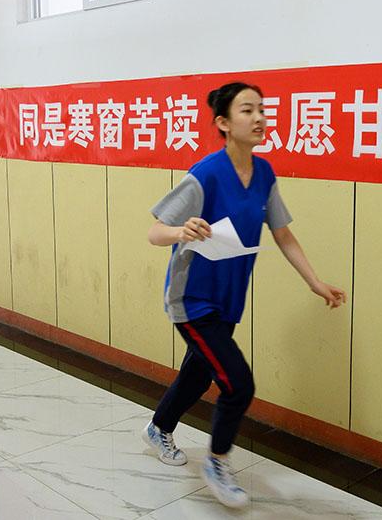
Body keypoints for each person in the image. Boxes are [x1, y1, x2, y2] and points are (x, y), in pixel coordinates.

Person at [143, 82, 347, 508]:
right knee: (237, 384)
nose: (258, 118)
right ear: (223, 122)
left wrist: (314, 281)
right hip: (192, 299)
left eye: (261, 110)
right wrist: (181, 230)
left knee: (199, 374)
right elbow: (155, 231)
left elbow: (283, 233)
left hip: (228, 298)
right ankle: (217, 462)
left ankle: (158, 428)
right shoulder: (206, 174)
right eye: (247, 110)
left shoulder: (264, 174)